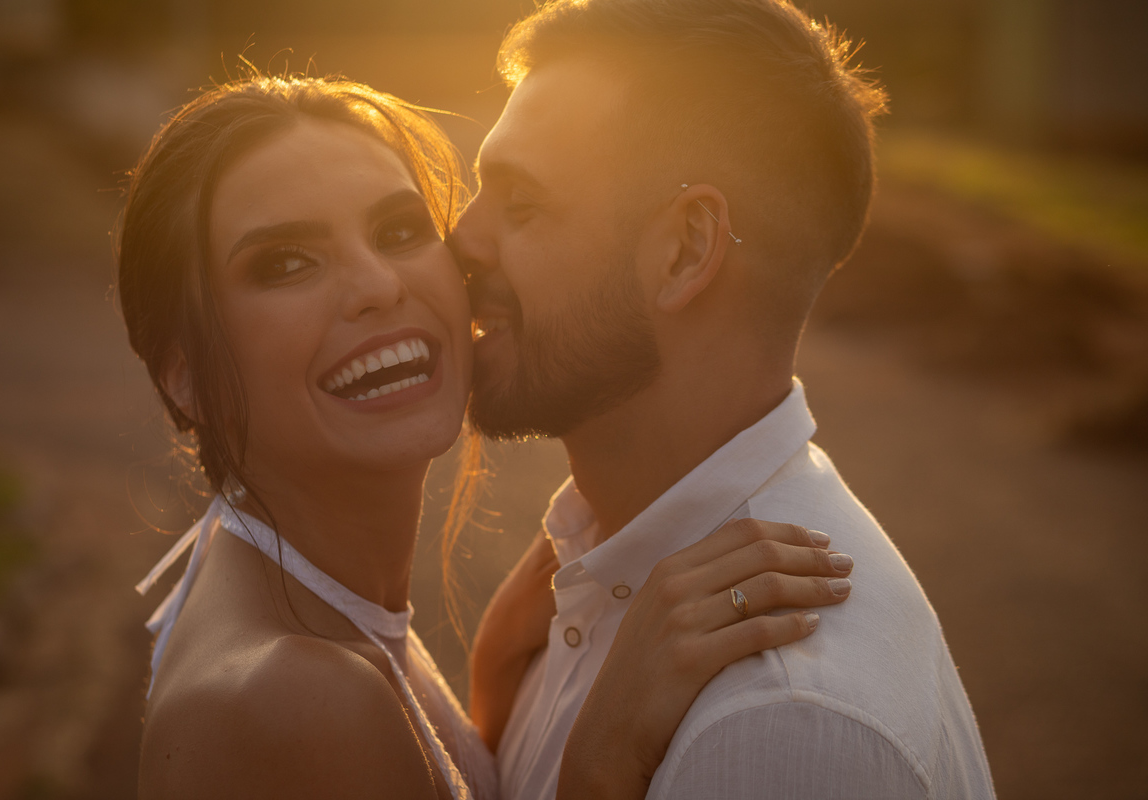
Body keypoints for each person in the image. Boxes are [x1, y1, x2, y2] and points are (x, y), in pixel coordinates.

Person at [121, 75, 854, 799]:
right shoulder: (297, 701)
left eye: (399, 230)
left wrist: (494, 680)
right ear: (187, 378)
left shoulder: (288, 594)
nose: (377, 283)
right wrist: (600, 764)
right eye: (285, 264)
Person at [454, 0, 997, 797]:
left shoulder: (781, 728)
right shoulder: (592, 582)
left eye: (522, 204)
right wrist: (497, 692)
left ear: (684, 250)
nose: (462, 239)